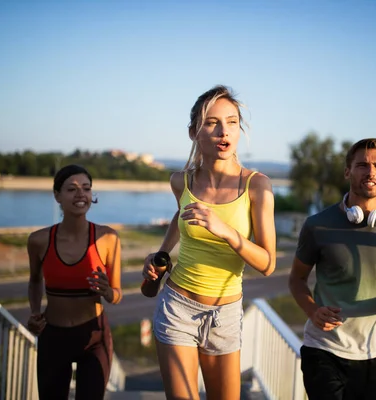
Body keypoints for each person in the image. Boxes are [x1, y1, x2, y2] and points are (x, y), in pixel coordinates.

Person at [141, 85, 276, 400]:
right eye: (212, 122)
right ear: (194, 132)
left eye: (231, 121)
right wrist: (160, 254)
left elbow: (268, 264)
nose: (223, 130)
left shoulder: (257, 186)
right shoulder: (181, 181)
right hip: (178, 307)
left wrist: (226, 231)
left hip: (224, 314)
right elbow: (181, 216)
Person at [289, 138, 376, 400]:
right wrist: (313, 310)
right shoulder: (317, 224)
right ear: (348, 171)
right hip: (323, 348)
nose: (370, 171)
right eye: (362, 164)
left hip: (372, 352)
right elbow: (297, 279)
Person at [26, 164, 122, 400]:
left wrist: (107, 291)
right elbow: (35, 280)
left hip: (94, 339)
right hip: (53, 336)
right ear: (57, 196)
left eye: (86, 188)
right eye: (71, 189)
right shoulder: (38, 240)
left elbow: (117, 295)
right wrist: (35, 312)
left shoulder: (108, 238)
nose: (81, 194)